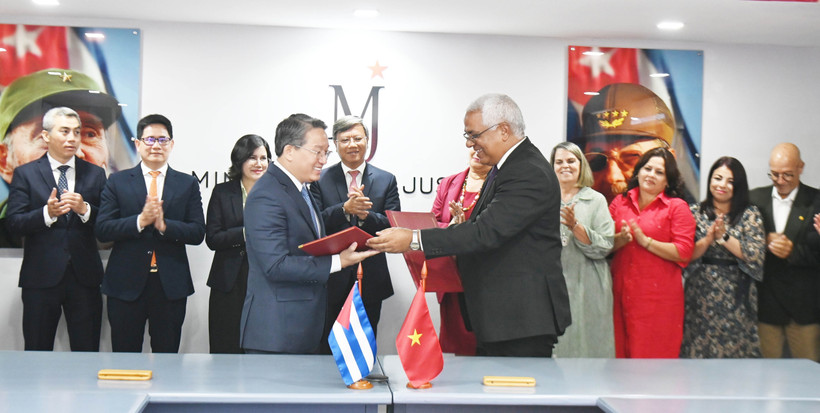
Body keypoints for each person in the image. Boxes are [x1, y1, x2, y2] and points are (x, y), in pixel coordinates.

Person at [367, 93, 571, 357]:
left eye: (474, 135)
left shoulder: (527, 171)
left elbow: (485, 232)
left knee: (514, 396)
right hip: (504, 317)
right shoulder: (506, 167)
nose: (470, 144)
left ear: (504, 131)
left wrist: (413, 239)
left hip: (520, 320)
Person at [240, 114, 379, 354]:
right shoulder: (267, 194)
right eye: (317, 152)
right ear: (290, 151)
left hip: (303, 327)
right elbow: (276, 265)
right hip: (277, 334)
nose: (323, 160)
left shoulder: (302, 188)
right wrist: (339, 261)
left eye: (326, 153)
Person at [96, 114, 205, 353]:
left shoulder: (187, 184)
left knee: (167, 357)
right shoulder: (117, 181)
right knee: (125, 358)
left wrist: (166, 226)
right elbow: (103, 229)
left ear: (172, 144)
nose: (156, 145)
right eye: (150, 139)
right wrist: (140, 221)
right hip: (125, 285)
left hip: (169, 286)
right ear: (137, 143)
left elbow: (198, 232)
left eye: (163, 140)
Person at [5, 107, 107, 351]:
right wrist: (46, 214)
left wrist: (86, 210)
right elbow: (14, 223)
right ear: (46, 136)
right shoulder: (25, 174)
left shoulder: (95, 174)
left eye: (77, 132)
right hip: (40, 279)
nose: (72, 138)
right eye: (64, 131)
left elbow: (108, 225)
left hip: (85, 278)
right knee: (37, 350)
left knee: (87, 351)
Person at [0, 68, 121, 247]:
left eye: (88, 134)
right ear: (4, 161)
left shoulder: (122, 226)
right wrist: (46, 214)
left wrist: (85, 210)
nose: (75, 151)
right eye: (45, 136)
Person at [310, 115, 400, 353]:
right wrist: (344, 209)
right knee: (327, 345)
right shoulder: (319, 179)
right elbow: (314, 224)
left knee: (365, 345)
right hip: (331, 276)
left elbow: (394, 225)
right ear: (336, 144)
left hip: (371, 276)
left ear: (367, 141)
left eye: (357, 138)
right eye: (345, 139)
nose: (352, 144)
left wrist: (364, 216)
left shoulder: (385, 179)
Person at [609, 147, 695, 358]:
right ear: (638, 171)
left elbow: (684, 252)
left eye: (659, 172)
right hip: (618, 295)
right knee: (618, 362)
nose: (651, 175)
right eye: (648, 168)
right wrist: (620, 240)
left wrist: (646, 242)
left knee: (653, 367)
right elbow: (602, 244)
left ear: (668, 181)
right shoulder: (619, 202)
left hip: (658, 301)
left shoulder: (677, 207)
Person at [680, 157, 765, 358]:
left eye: (730, 181)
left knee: (735, 355)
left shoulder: (749, 213)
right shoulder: (693, 212)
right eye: (718, 178)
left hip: (737, 294)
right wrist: (709, 238)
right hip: (700, 292)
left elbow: (755, 254)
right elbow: (685, 253)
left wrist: (724, 236)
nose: (722, 185)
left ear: (739, 186)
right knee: (697, 350)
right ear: (710, 180)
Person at [749, 143, 820, 361]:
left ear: (801, 167)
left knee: (808, 378)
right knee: (765, 376)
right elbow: (743, 244)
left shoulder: (817, 201)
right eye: (775, 174)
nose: (780, 181)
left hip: (804, 308)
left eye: (787, 175)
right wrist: (762, 239)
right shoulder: (754, 199)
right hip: (767, 304)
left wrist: (792, 251)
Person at [572, 83, 696, 204]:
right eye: (596, 161)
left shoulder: (685, 218)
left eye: (632, 158)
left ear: (669, 162)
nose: (612, 178)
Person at [205, 134, 271, 354]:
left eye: (264, 158)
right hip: (229, 280)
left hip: (266, 279)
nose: (259, 164)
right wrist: (245, 233)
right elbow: (213, 238)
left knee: (261, 346)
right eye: (252, 157)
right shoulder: (223, 192)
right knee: (226, 344)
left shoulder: (276, 194)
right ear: (240, 160)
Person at [550, 141, 615, 358]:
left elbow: (605, 245)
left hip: (589, 284)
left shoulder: (595, 200)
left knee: (589, 348)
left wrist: (575, 227)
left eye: (571, 161)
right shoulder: (543, 200)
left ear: (581, 165)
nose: (564, 166)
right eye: (558, 162)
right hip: (553, 284)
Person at [430, 148, 491, 355]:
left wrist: (463, 230)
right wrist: (452, 228)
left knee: (481, 348)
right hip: (450, 277)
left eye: (483, 147)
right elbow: (433, 224)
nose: (477, 151)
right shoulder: (449, 183)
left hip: (484, 280)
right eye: (474, 146)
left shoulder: (500, 184)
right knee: (452, 346)